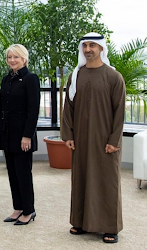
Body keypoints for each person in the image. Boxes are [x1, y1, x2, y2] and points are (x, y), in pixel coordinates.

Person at [61, 33, 125, 244]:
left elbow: (119, 112)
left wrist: (114, 140)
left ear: (101, 48)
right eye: (85, 45)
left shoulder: (114, 77)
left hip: (105, 140)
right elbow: (68, 107)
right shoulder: (76, 76)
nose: (88, 49)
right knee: (81, 179)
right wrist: (68, 135)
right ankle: (80, 222)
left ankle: (109, 227)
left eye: (92, 45)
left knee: (107, 181)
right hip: (80, 138)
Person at [0, 44, 40, 226]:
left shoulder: (31, 79)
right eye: (9, 57)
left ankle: (29, 210)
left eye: (16, 57)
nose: (12, 60)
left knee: (23, 173)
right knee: (12, 173)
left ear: (24, 58)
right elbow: (1, 108)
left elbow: (33, 111)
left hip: (23, 135)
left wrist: (27, 136)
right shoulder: (6, 79)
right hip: (7, 133)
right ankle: (18, 207)